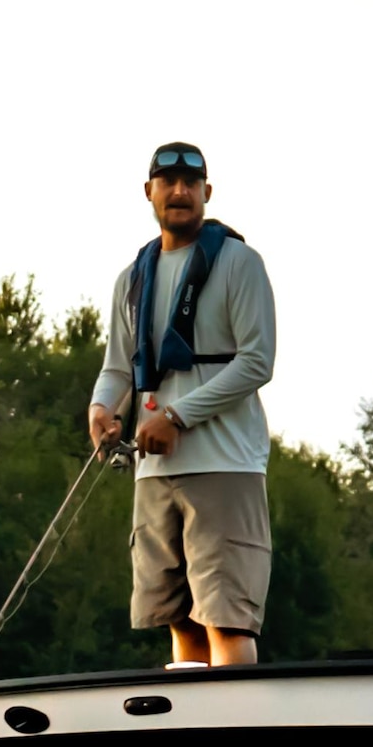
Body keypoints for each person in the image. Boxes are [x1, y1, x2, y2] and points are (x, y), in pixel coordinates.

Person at [89, 141, 280, 670]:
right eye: (167, 181)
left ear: (207, 193)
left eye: (190, 183)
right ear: (148, 192)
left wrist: (176, 416)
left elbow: (257, 361)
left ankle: (238, 743)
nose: (179, 191)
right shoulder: (132, 278)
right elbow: (116, 368)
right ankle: (192, 746)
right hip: (153, 476)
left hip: (224, 464)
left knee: (227, 618)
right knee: (177, 620)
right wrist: (101, 410)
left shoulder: (240, 263)